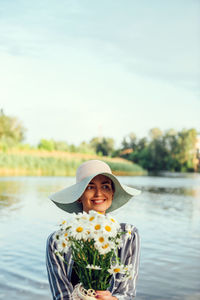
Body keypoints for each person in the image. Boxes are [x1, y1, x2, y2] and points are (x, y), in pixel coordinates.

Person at [46, 160, 141, 300]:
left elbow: (127, 293)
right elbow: (61, 295)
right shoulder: (57, 240)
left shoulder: (128, 234)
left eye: (105, 186)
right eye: (90, 187)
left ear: (112, 193)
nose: (99, 193)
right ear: (79, 196)